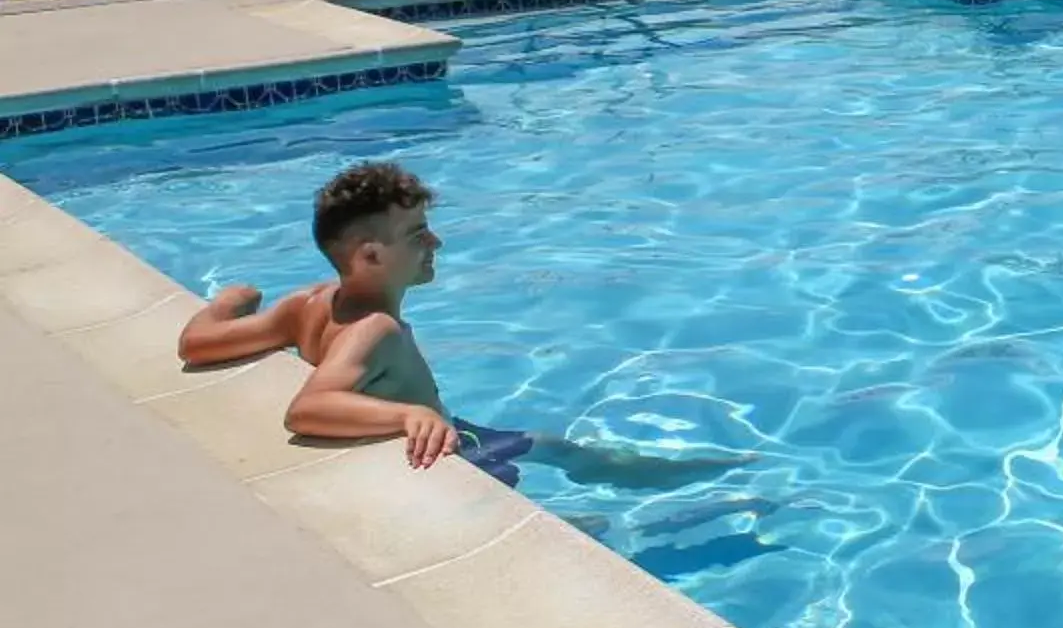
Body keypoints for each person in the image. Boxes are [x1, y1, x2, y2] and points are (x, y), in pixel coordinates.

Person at [176, 161, 749, 490]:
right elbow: (308, 408)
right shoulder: (376, 331)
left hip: (458, 427)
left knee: (555, 447)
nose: (436, 243)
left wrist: (231, 301)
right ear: (370, 257)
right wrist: (409, 413)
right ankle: (704, 479)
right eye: (417, 235)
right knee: (576, 495)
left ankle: (693, 473)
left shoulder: (306, 305)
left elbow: (198, 343)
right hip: (458, 450)